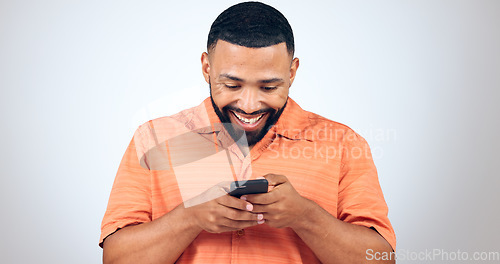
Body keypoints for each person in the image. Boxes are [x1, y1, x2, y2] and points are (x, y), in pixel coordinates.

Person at [100, 2, 396, 263]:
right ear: (206, 68)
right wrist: (190, 217)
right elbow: (115, 259)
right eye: (232, 85)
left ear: (292, 73)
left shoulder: (344, 144)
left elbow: (380, 258)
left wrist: (306, 217)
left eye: (269, 87)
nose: (250, 105)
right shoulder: (153, 139)